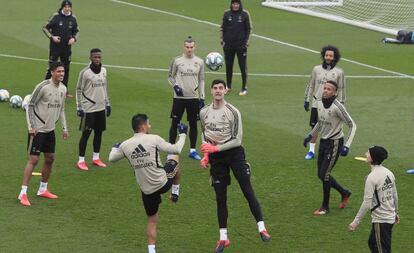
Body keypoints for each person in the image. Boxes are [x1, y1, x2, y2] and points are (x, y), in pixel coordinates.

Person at [199, 79, 270, 253]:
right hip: (216, 158)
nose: (217, 91)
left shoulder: (233, 111)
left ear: (225, 91)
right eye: (215, 88)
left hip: (234, 154)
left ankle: (262, 228)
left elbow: (237, 140)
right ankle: (223, 238)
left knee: (247, 190)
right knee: (220, 197)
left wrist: (215, 148)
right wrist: (206, 155)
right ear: (211, 91)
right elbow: (205, 134)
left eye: (220, 88)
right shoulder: (204, 112)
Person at [109, 114, 187, 253]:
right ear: (143, 126)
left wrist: (115, 148)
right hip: (162, 183)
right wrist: (182, 134)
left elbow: (111, 159)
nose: (150, 127)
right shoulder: (153, 138)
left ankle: (151, 250)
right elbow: (177, 149)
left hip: (146, 190)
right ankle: (175, 194)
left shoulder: (125, 145)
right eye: (149, 124)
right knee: (174, 159)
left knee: (152, 220)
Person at [18, 61, 69, 206]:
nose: (61, 74)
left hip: (50, 130)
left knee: (50, 158)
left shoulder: (63, 89)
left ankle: (42, 189)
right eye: (59, 71)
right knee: (33, 160)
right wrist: (31, 126)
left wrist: (64, 128)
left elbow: (62, 109)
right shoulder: (42, 87)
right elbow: (30, 105)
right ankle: (23, 193)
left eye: (63, 72)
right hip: (38, 130)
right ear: (52, 72)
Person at [304, 80, 356, 215]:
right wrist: (310, 135)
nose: (325, 91)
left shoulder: (337, 107)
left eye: (329, 89)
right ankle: (344, 192)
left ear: (335, 92)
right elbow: (320, 123)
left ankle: (325, 207)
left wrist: (347, 146)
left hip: (335, 143)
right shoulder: (320, 103)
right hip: (324, 142)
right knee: (321, 174)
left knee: (324, 175)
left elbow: (352, 125)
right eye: (325, 88)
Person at [348, 146, 399, 253]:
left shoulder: (371, 177)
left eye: (368, 153)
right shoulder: (389, 173)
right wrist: (396, 213)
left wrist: (355, 222)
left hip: (381, 220)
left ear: (373, 158)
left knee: (382, 250)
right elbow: (394, 195)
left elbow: (367, 202)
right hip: (389, 217)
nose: (366, 153)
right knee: (372, 243)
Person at [303, 45, 345, 160]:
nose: (328, 57)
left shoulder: (339, 72)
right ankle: (311, 151)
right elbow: (311, 85)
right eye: (326, 55)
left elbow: (341, 88)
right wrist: (307, 99)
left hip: (332, 105)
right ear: (323, 56)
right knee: (314, 127)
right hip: (317, 104)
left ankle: (334, 148)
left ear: (334, 57)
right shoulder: (316, 69)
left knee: (332, 126)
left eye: (330, 56)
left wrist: (341, 102)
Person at [168, 36, 205, 160]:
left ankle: (193, 150)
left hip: (193, 98)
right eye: (187, 47)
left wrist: (202, 97)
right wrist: (176, 87)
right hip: (179, 99)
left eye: (191, 47)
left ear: (195, 47)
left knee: (194, 124)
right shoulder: (177, 60)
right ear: (184, 47)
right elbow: (170, 77)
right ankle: (171, 150)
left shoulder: (199, 61)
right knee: (174, 122)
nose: (189, 49)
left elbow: (201, 80)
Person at [76, 48, 111, 171]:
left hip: (101, 108)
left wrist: (108, 103)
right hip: (89, 109)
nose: (97, 59)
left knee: (99, 133)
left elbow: (105, 88)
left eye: (99, 57)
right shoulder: (85, 72)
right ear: (90, 58)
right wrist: (79, 107)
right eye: (95, 57)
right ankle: (81, 160)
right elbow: (79, 89)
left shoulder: (104, 71)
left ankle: (96, 157)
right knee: (86, 134)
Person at [42, 0, 79, 97]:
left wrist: (73, 38)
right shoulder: (55, 16)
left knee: (66, 69)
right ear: (62, 7)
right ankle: (44, 88)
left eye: (69, 7)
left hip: (66, 48)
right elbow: (45, 28)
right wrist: (52, 37)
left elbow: (77, 31)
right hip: (55, 48)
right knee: (51, 67)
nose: (67, 9)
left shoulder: (73, 18)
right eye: (65, 7)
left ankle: (64, 91)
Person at [220, 0, 252, 96]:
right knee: (229, 66)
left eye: (237, 4)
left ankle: (244, 87)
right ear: (231, 4)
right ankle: (228, 86)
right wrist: (222, 41)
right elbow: (222, 28)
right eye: (234, 4)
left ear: (240, 4)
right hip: (229, 45)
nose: (235, 5)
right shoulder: (226, 13)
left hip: (241, 46)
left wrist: (246, 43)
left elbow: (249, 29)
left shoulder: (245, 14)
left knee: (242, 67)